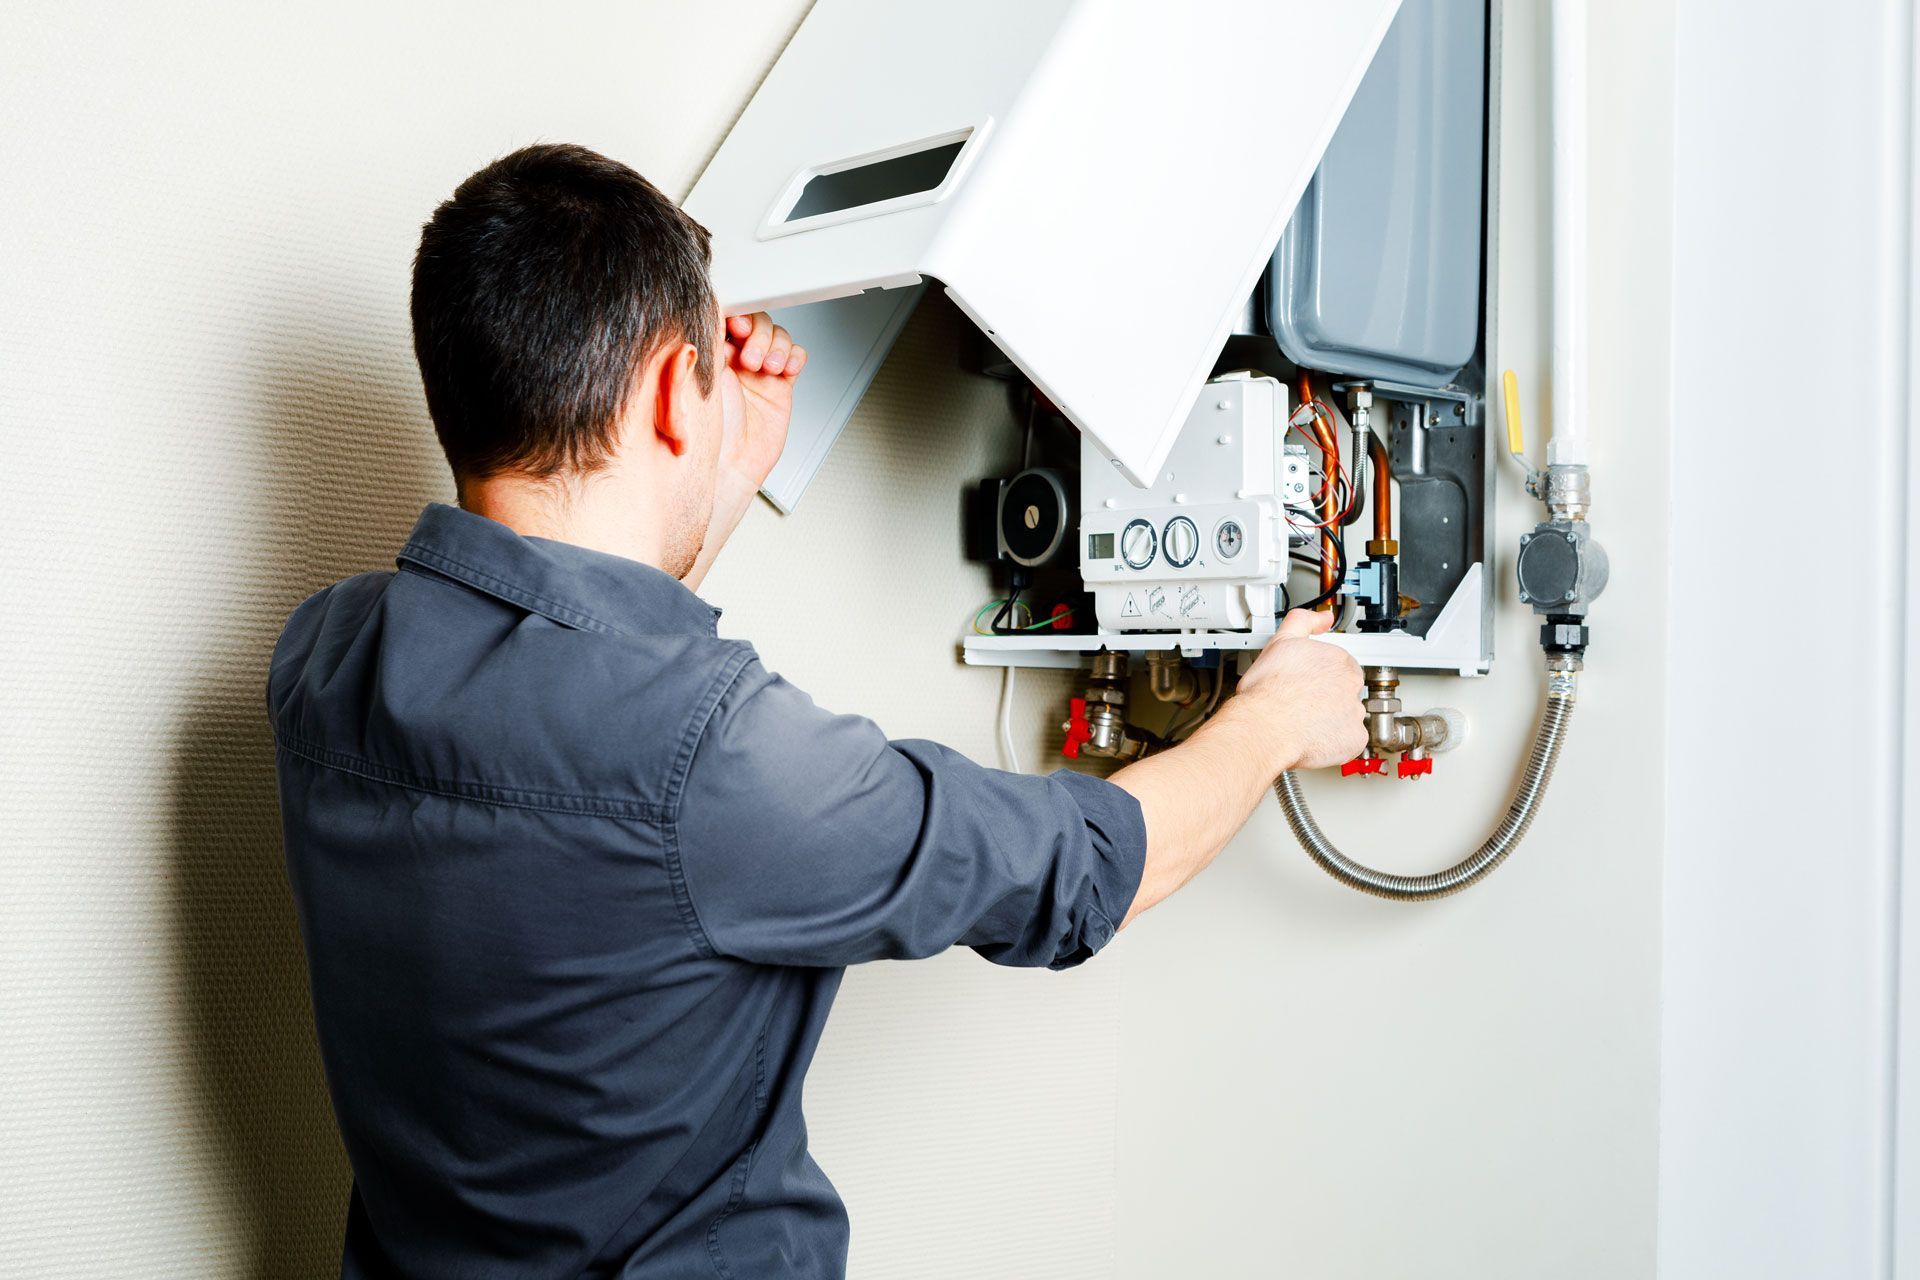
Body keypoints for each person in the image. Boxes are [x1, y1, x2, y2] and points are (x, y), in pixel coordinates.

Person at [269, 143, 1365, 1279]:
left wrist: (718, 474)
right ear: (663, 391)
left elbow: (577, 704)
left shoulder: (324, 656)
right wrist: (1279, 714)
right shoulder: (717, 762)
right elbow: (1088, 869)